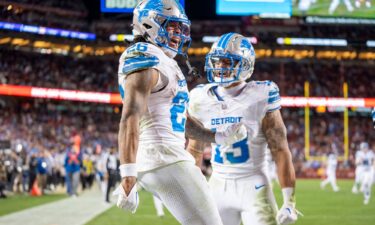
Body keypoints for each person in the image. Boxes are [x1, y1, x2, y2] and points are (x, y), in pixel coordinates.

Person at [113, 1, 246, 224]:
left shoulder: (164, 61)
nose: (178, 34)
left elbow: (182, 121)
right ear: (148, 23)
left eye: (180, 28)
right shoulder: (144, 56)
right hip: (163, 157)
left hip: (168, 157)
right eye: (172, 26)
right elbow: (129, 118)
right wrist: (127, 174)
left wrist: (218, 136)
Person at [187, 33, 300, 225]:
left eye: (227, 61)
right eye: (217, 61)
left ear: (245, 64)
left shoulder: (261, 94)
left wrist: (289, 201)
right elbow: (195, 150)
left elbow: (280, 149)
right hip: (217, 185)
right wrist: (190, 191)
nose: (221, 66)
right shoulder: (200, 97)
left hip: (254, 185)